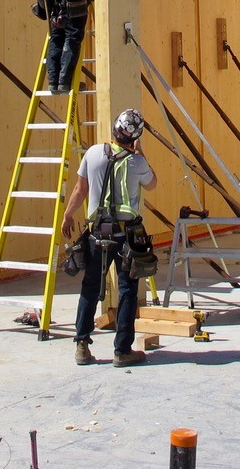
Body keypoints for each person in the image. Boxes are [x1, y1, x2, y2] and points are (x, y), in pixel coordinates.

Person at [61, 108, 158, 366]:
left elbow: (80, 189)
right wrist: (140, 154)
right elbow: (152, 184)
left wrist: (68, 215)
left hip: (96, 234)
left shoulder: (93, 153)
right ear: (135, 137)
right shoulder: (137, 162)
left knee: (90, 287)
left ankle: (81, 345)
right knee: (127, 289)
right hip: (127, 237)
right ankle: (122, 350)